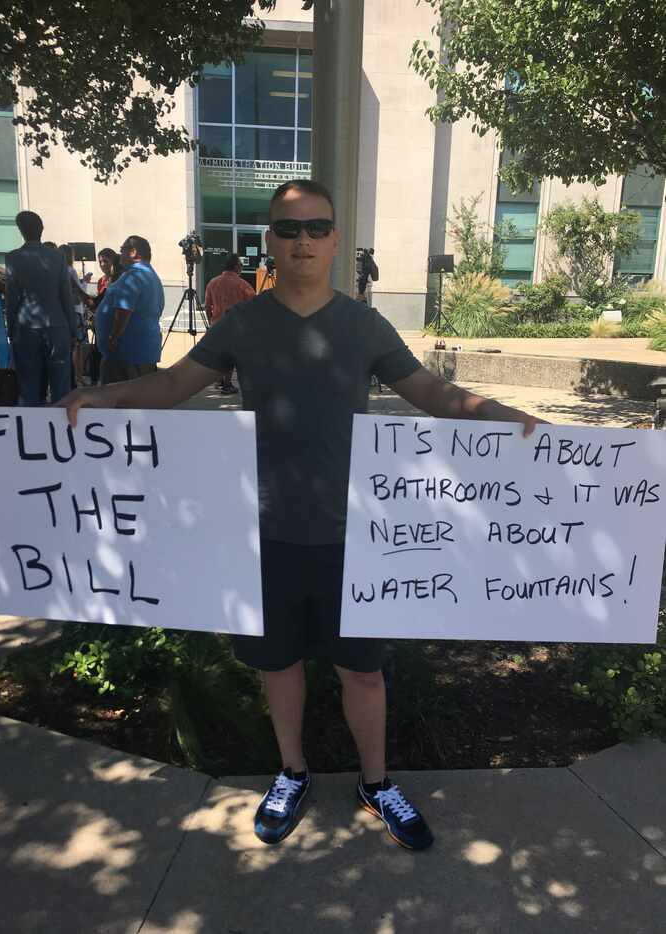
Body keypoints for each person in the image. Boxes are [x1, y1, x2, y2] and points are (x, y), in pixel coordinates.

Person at [60, 179, 542, 852]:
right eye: (288, 229)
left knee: (364, 672)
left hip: (358, 538)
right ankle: (292, 772)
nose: (303, 240)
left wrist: (497, 414)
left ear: (336, 237)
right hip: (261, 535)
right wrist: (103, 394)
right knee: (278, 666)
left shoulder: (363, 325)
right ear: (270, 241)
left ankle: (376, 783)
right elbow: (171, 385)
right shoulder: (244, 324)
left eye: (317, 227)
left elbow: (430, 391)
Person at [5, 211, 76, 403]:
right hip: (57, 323)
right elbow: (66, 295)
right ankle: (62, 426)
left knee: (29, 382)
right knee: (61, 382)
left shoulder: (13, 258)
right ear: (41, 229)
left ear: (21, 230)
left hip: (26, 325)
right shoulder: (58, 257)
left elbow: (12, 298)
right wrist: (73, 328)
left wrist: (10, 327)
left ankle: (32, 426)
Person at [94, 235, 164, 385]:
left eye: (122, 250)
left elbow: (124, 310)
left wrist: (113, 337)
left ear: (133, 252)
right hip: (142, 351)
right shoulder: (150, 275)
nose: (120, 254)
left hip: (127, 354)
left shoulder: (133, 277)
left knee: (119, 401)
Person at [204, 252, 255, 394]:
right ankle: (227, 384)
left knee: (218, 355)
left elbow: (208, 306)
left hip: (216, 324)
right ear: (237, 267)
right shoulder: (243, 285)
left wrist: (211, 321)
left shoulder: (212, 283)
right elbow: (252, 305)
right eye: (241, 265)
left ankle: (218, 380)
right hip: (235, 325)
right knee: (230, 356)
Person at [61, 244, 93, 387]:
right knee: (77, 347)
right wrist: (85, 282)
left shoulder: (59, 271)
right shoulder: (70, 271)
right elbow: (79, 295)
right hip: (76, 312)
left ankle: (72, 377)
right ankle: (78, 377)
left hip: (63, 312)